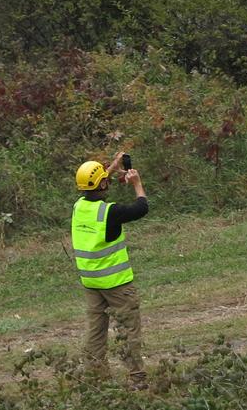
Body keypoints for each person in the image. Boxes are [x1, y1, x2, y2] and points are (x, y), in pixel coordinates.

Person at [71, 152, 149, 388]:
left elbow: (97, 183)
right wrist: (137, 183)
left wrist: (113, 167)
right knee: (128, 329)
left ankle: (96, 378)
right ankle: (136, 378)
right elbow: (141, 207)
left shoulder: (79, 207)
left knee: (96, 331)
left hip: (91, 282)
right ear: (102, 184)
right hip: (116, 284)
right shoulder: (110, 212)